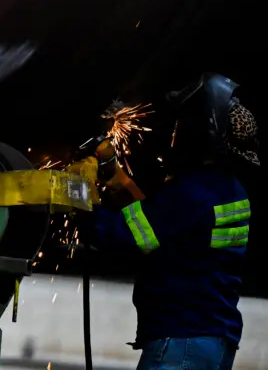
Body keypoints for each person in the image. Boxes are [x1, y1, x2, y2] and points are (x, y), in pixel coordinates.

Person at [90, 73, 258, 370]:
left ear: (202, 136)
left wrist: (79, 204)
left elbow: (128, 236)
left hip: (182, 343)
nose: (174, 136)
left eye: (182, 128)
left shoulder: (192, 193)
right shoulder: (230, 191)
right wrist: (116, 181)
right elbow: (166, 227)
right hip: (213, 340)